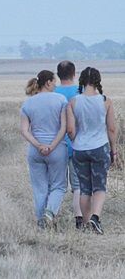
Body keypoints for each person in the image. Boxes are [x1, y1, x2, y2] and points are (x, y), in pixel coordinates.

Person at [66, 67, 118, 234]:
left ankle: (86, 222)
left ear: (81, 81)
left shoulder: (73, 102)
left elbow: (71, 130)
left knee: (84, 188)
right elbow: (111, 129)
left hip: (80, 149)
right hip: (100, 147)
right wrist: (114, 151)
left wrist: (77, 141)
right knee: (100, 187)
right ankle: (95, 218)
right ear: (98, 81)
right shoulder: (106, 101)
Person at [20, 70, 68, 228]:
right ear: (48, 82)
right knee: (59, 186)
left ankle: (41, 224)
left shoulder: (27, 103)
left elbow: (25, 131)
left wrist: (38, 145)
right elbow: (64, 127)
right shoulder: (61, 100)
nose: (55, 84)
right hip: (57, 150)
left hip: (35, 152)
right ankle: (50, 212)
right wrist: (52, 145)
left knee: (39, 188)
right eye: (54, 81)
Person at [54, 61, 84, 228]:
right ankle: (79, 219)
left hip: (55, 145)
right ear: (74, 73)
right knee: (78, 185)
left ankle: (51, 215)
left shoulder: (52, 92)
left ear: (58, 75)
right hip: (77, 143)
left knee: (56, 185)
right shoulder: (80, 92)